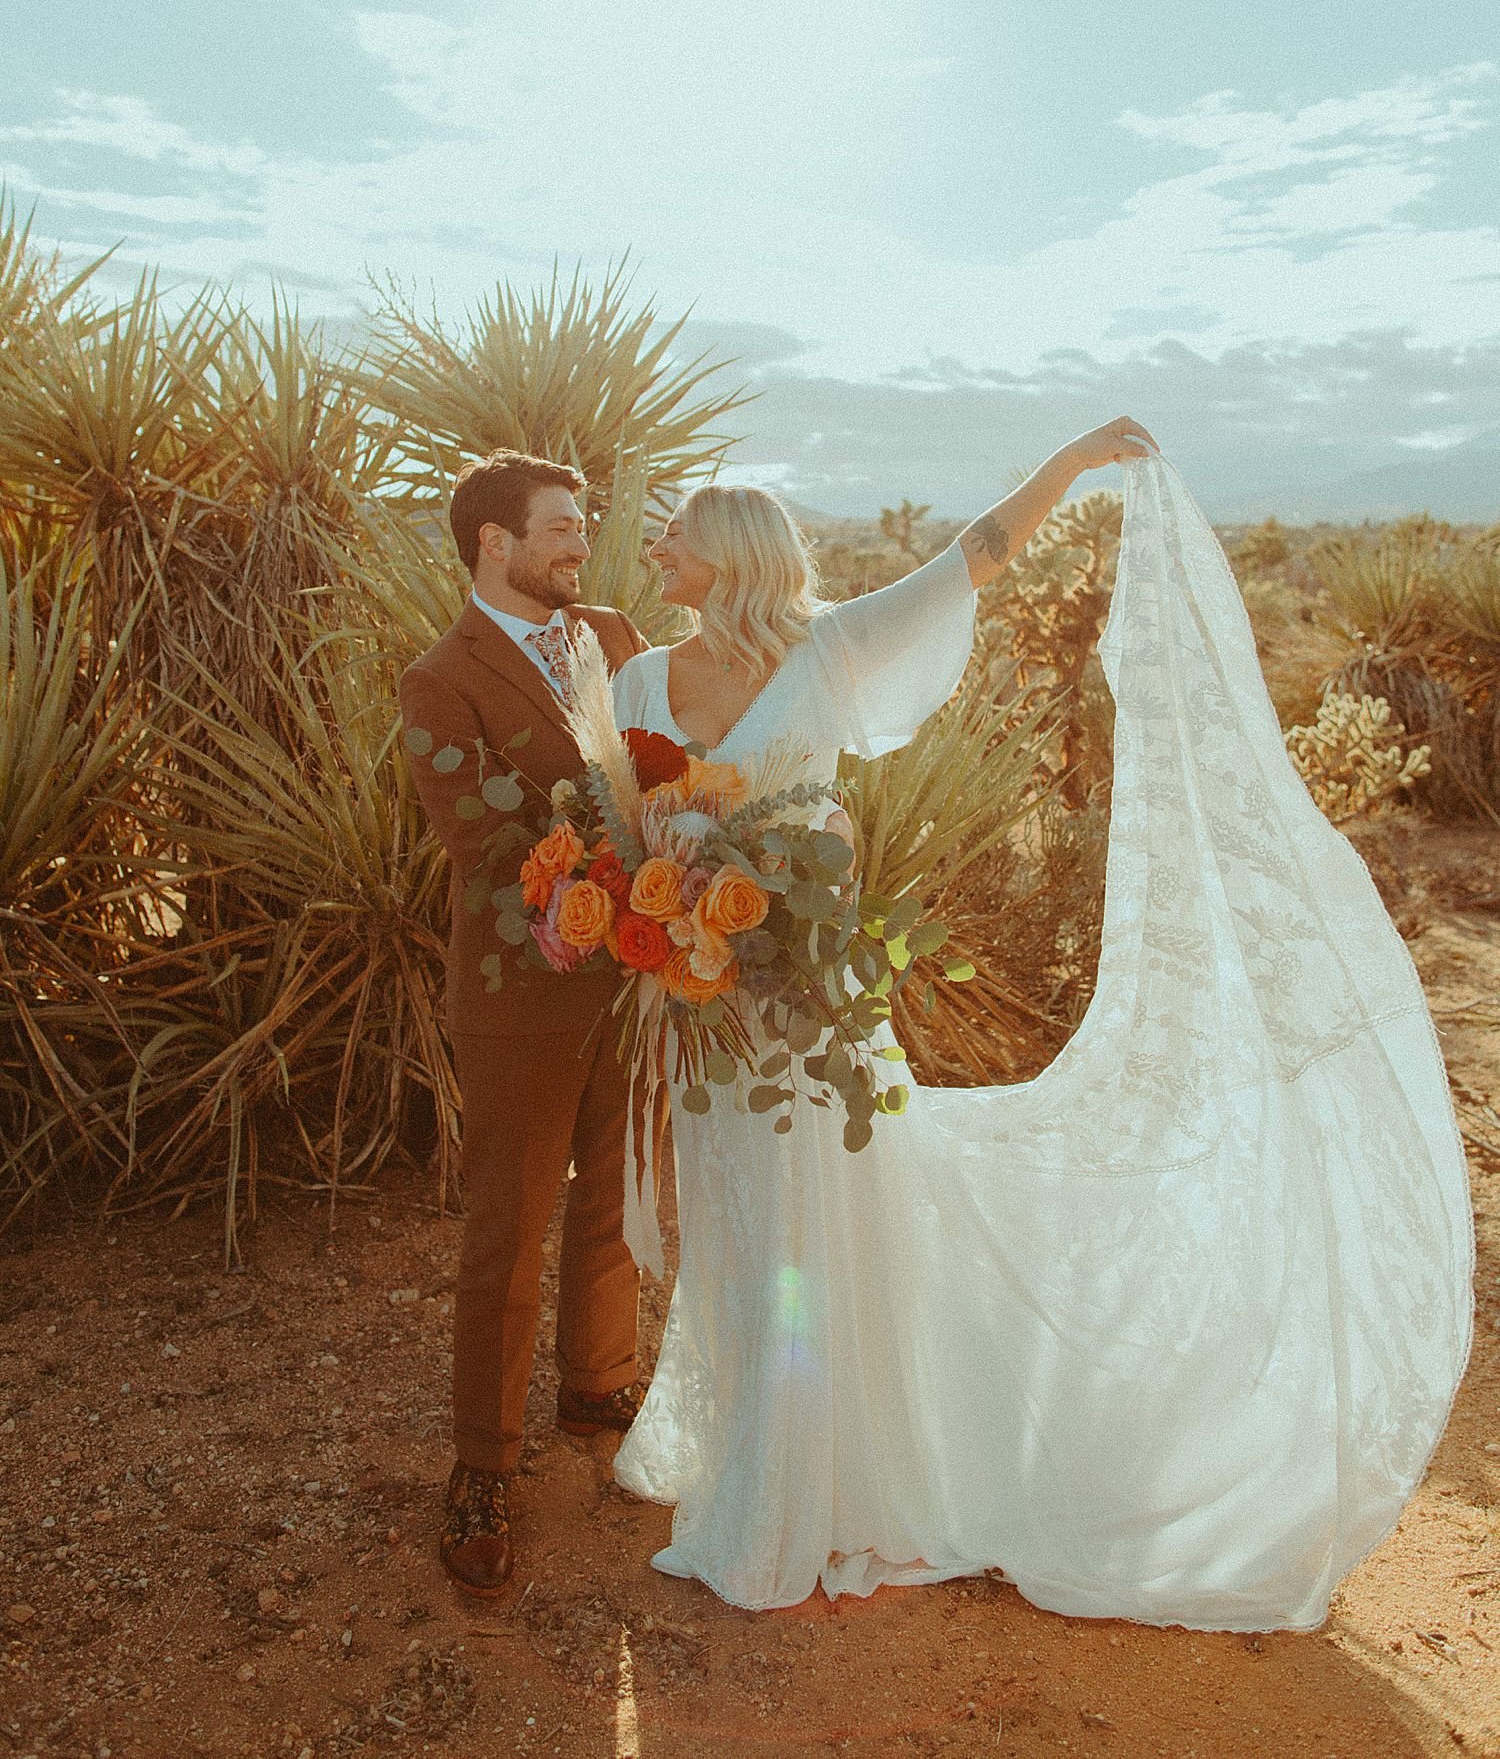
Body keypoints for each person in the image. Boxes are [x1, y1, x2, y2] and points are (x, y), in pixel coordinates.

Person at [607, 417, 1473, 1629]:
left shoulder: (833, 651)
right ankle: (757, 1444)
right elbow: (623, 827)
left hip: (808, 1001)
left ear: (734, 558)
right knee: (741, 1222)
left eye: (679, 541)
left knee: (816, 1213)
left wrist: (1072, 462)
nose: (658, 554)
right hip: (703, 1007)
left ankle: (817, 1478)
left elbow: (976, 554)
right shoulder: (640, 680)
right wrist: (648, 909)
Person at [399, 448, 653, 1594]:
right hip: (520, 990)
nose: (577, 543)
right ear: (494, 542)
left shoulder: (614, 635)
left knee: (613, 1195)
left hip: (641, 975)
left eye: (582, 525)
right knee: (508, 1224)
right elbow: (485, 844)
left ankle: (599, 1386)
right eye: (559, 527)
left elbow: (663, 773)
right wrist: (622, 888)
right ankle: (485, 1466)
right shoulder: (437, 680)